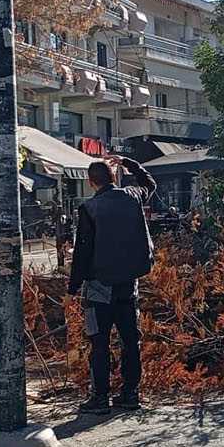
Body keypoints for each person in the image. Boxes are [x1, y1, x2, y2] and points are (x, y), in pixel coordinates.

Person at [67, 156, 157, 415]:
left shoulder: (90, 209)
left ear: (90, 182)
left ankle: (100, 397)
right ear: (114, 177)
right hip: (129, 284)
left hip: (99, 288)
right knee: (131, 341)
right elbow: (149, 183)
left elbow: (82, 253)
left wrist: (72, 288)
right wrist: (130, 162)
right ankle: (130, 394)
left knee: (99, 343)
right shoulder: (133, 196)